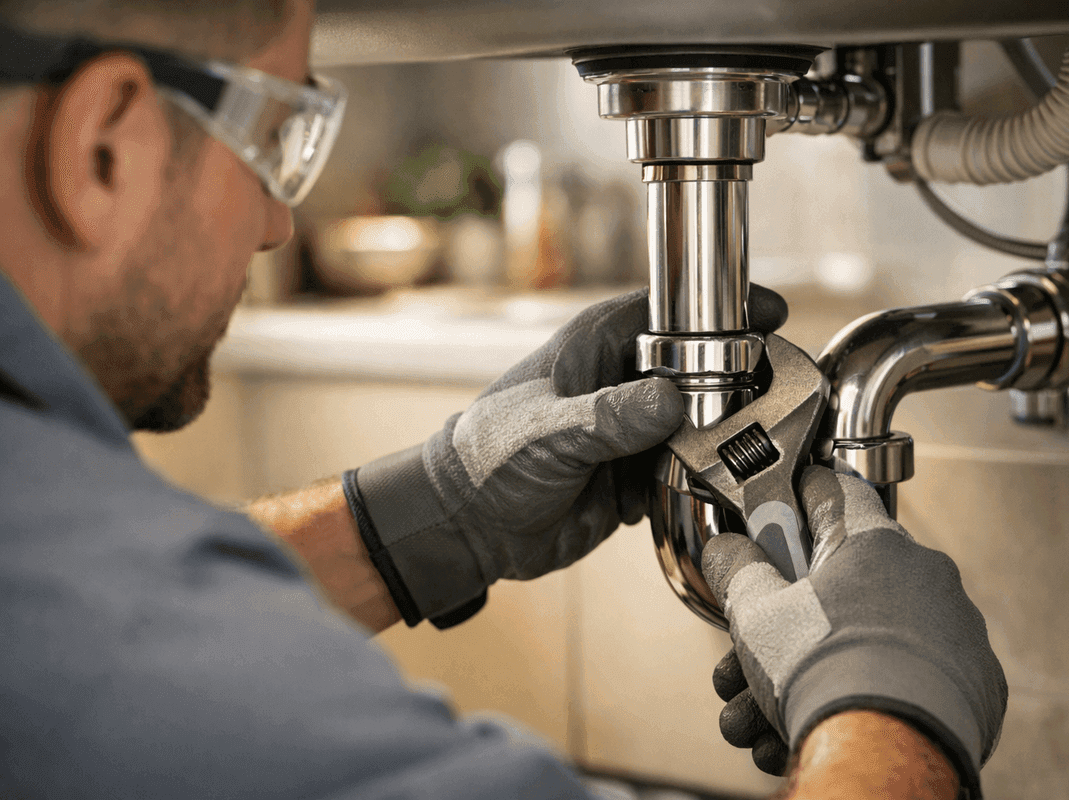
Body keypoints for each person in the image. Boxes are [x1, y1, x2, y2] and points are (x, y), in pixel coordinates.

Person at [0, 1, 1007, 798]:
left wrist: (414, 518)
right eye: (274, 135)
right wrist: (894, 717)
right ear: (105, 146)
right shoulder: (102, 637)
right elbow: (133, 645)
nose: (274, 222)